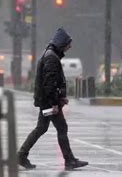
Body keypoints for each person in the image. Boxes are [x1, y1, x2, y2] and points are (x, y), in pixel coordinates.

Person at [18, 28, 88, 170]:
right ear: (61, 43)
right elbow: (50, 84)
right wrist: (54, 103)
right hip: (49, 102)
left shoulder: (50, 55)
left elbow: (51, 83)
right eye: (68, 43)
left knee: (44, 128)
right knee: (57, 128)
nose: (70, 47)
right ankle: (68, 160)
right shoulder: (51, 57)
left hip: (48, 101)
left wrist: (60, 98)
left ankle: (22, 155)